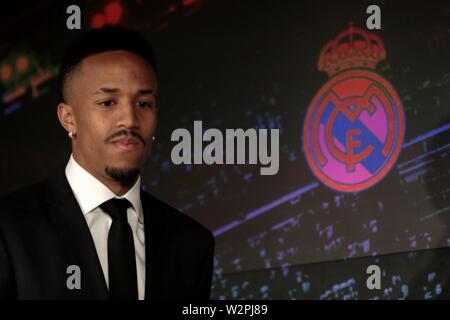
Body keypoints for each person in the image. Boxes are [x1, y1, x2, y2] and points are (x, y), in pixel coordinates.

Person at [0, 26, 215, 300]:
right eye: (107, 102)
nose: (129, 119)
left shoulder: (192, 243)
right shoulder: (9, 230)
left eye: (144, 103)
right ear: (68, 118)